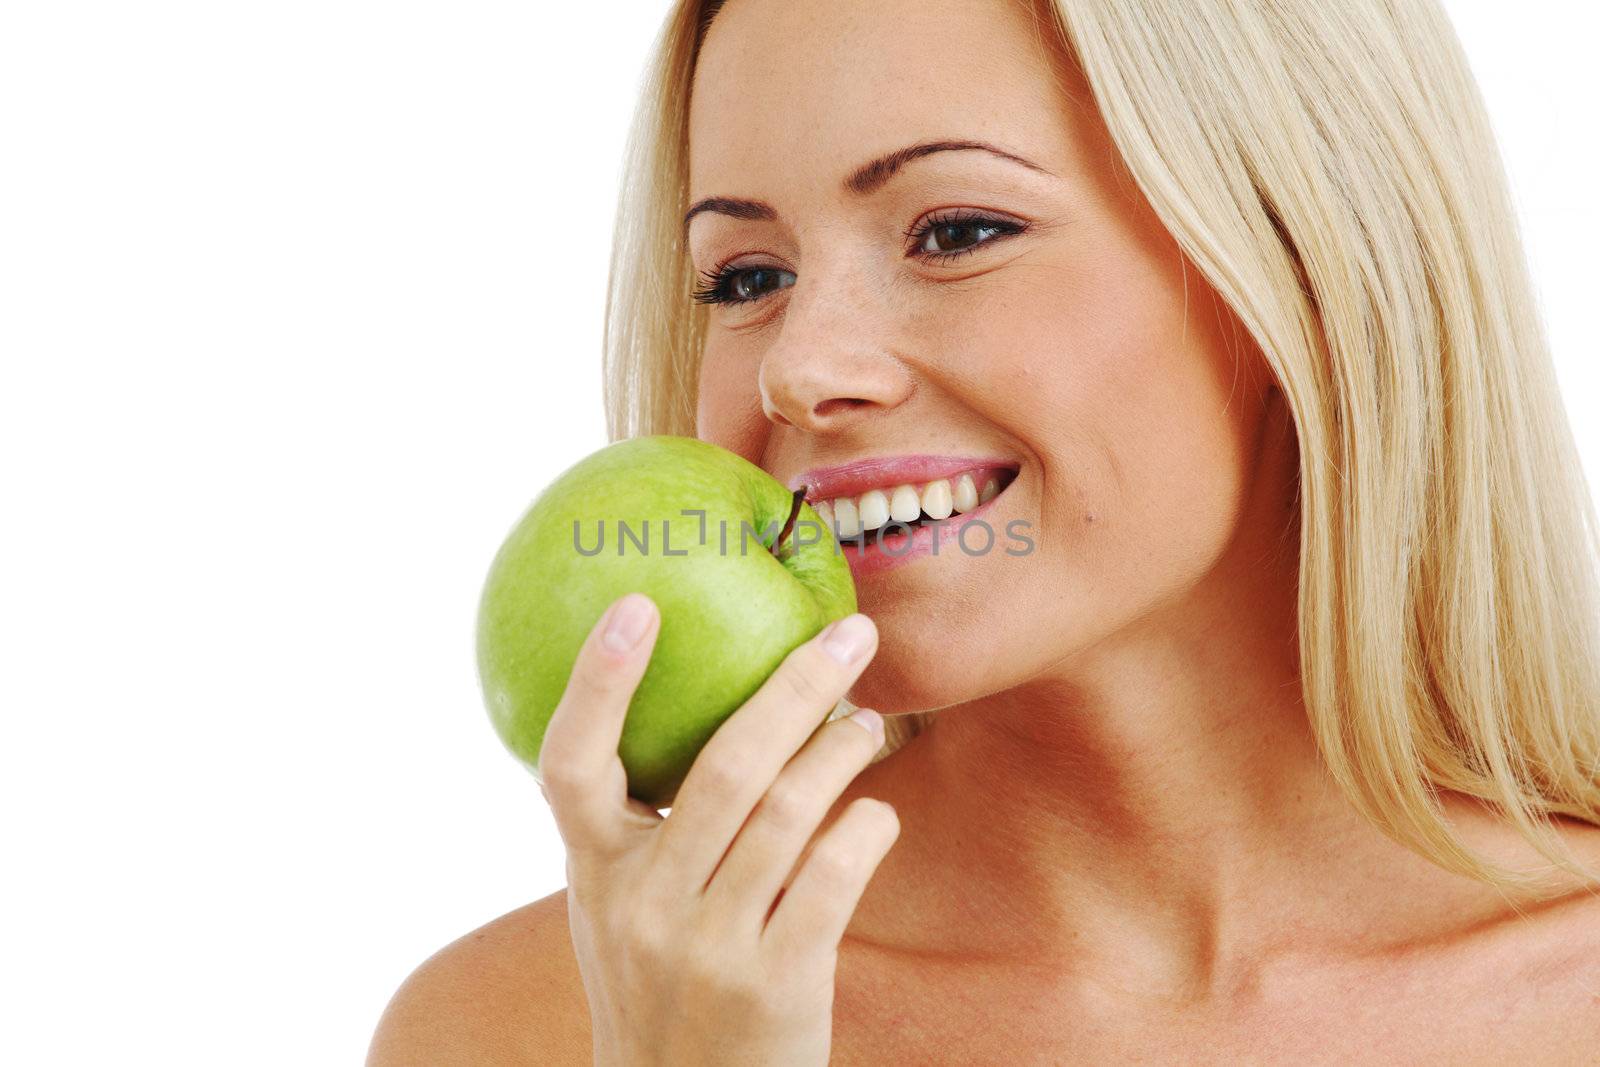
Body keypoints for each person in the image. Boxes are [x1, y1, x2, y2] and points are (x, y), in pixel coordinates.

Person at [368, 0, 1600, 1061]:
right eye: (745, 278)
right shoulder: (524, 1031)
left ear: (1302, 269)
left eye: (956, 231)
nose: (800, 369)